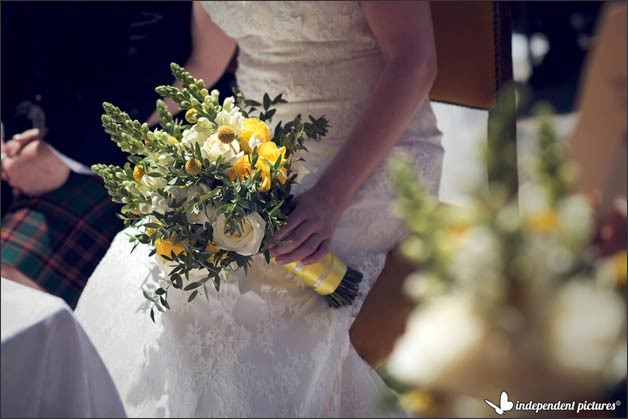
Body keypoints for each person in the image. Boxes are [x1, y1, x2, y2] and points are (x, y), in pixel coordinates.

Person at [75, 2, 443, 417]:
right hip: (256, 154)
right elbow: (205, 63)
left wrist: (329, 198)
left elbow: (415, 64)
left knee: (253, 296)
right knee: (143, 263)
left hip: (370, 159)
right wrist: (130, 142)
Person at [0, 2, 234, 308]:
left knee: (15, 287)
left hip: (138, 146)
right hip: (31, 131)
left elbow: (196, 67)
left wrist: (62, 152)